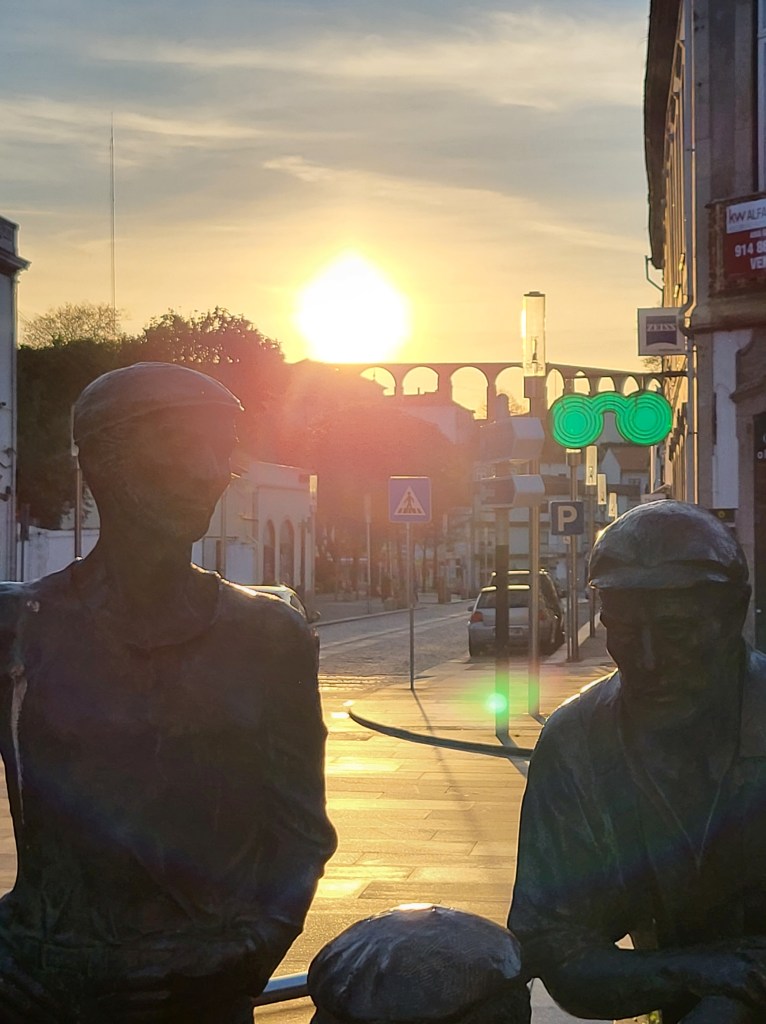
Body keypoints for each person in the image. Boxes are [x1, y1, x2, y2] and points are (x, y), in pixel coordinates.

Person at [0, 362, 337, 1023]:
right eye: (185, 442)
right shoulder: (17, 630)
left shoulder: (268, 636)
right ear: (101, 459)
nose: (212, 470)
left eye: (223, 447)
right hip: (40, 981)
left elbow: (299, 833)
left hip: (199, 990)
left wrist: (248, 948)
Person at [508, 500, 766, 1024]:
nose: (648, 661)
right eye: (623, 632)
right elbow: (552, 945)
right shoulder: (577, 740)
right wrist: (692, 970)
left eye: (676, 632)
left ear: (734, 612)